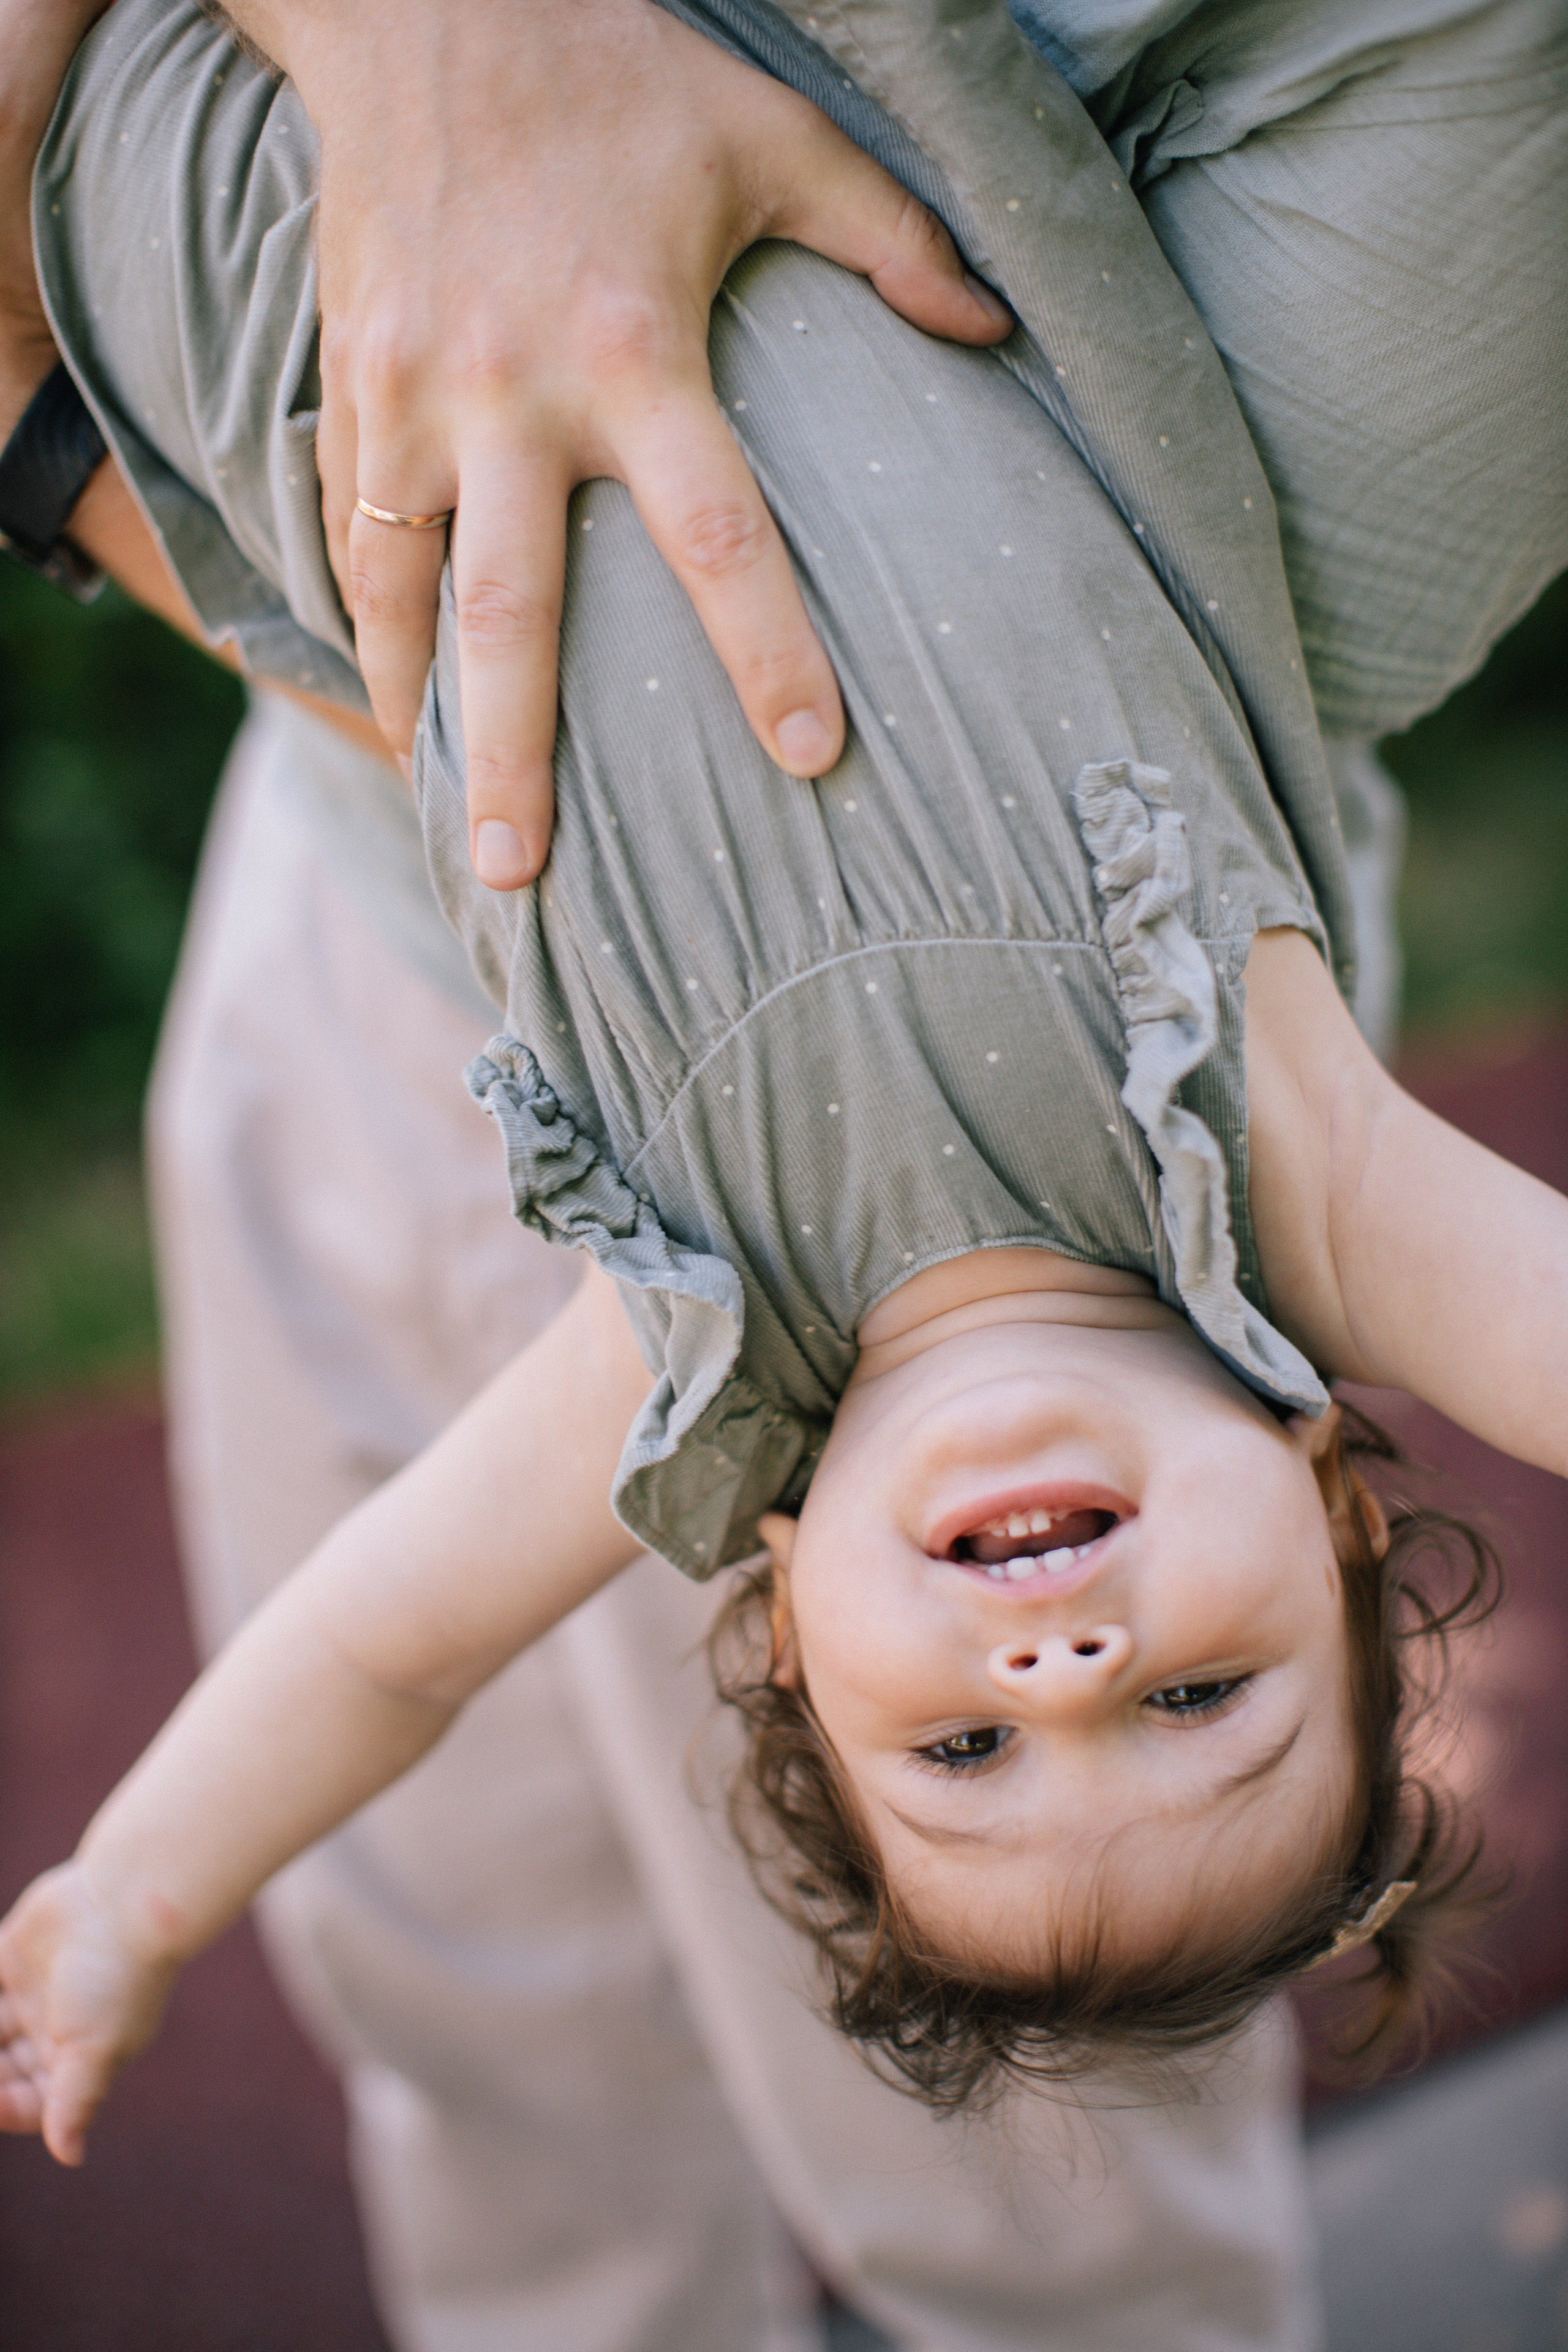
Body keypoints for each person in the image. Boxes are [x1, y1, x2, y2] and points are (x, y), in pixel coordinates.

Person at [1, 2, 1561, 2346]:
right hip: (852, 110)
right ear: (1335, 1498)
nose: (1060, 1664)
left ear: (787, 1634)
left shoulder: (692, 1330)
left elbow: (388, 1637)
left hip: (284, 286)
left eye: (959, 1750)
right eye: (1198, 1700)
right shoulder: (1291, 1178)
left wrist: (136, 1886)